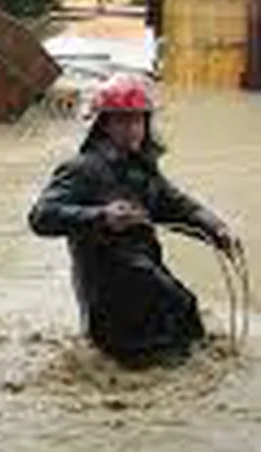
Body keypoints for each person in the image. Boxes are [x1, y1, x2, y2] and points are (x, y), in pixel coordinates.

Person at [29, 74, 238, 368]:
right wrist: (101, 216)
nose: (133, 130)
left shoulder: (143, 170)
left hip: (146, 276)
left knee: (184, 315)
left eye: (138, 121)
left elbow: (177, 205)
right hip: (107, 290)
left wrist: (216, 229)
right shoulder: (81, 170)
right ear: (104, 125)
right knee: (157, 343)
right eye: (123, 121)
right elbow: (41, 216)